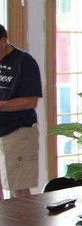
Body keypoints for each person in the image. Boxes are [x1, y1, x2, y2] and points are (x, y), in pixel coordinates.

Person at [0, 24, 42, 198]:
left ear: (3, 41)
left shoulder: (24, 62)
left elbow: (31, 101)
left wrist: (1, 105)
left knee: (19, 190)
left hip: (17, 133)